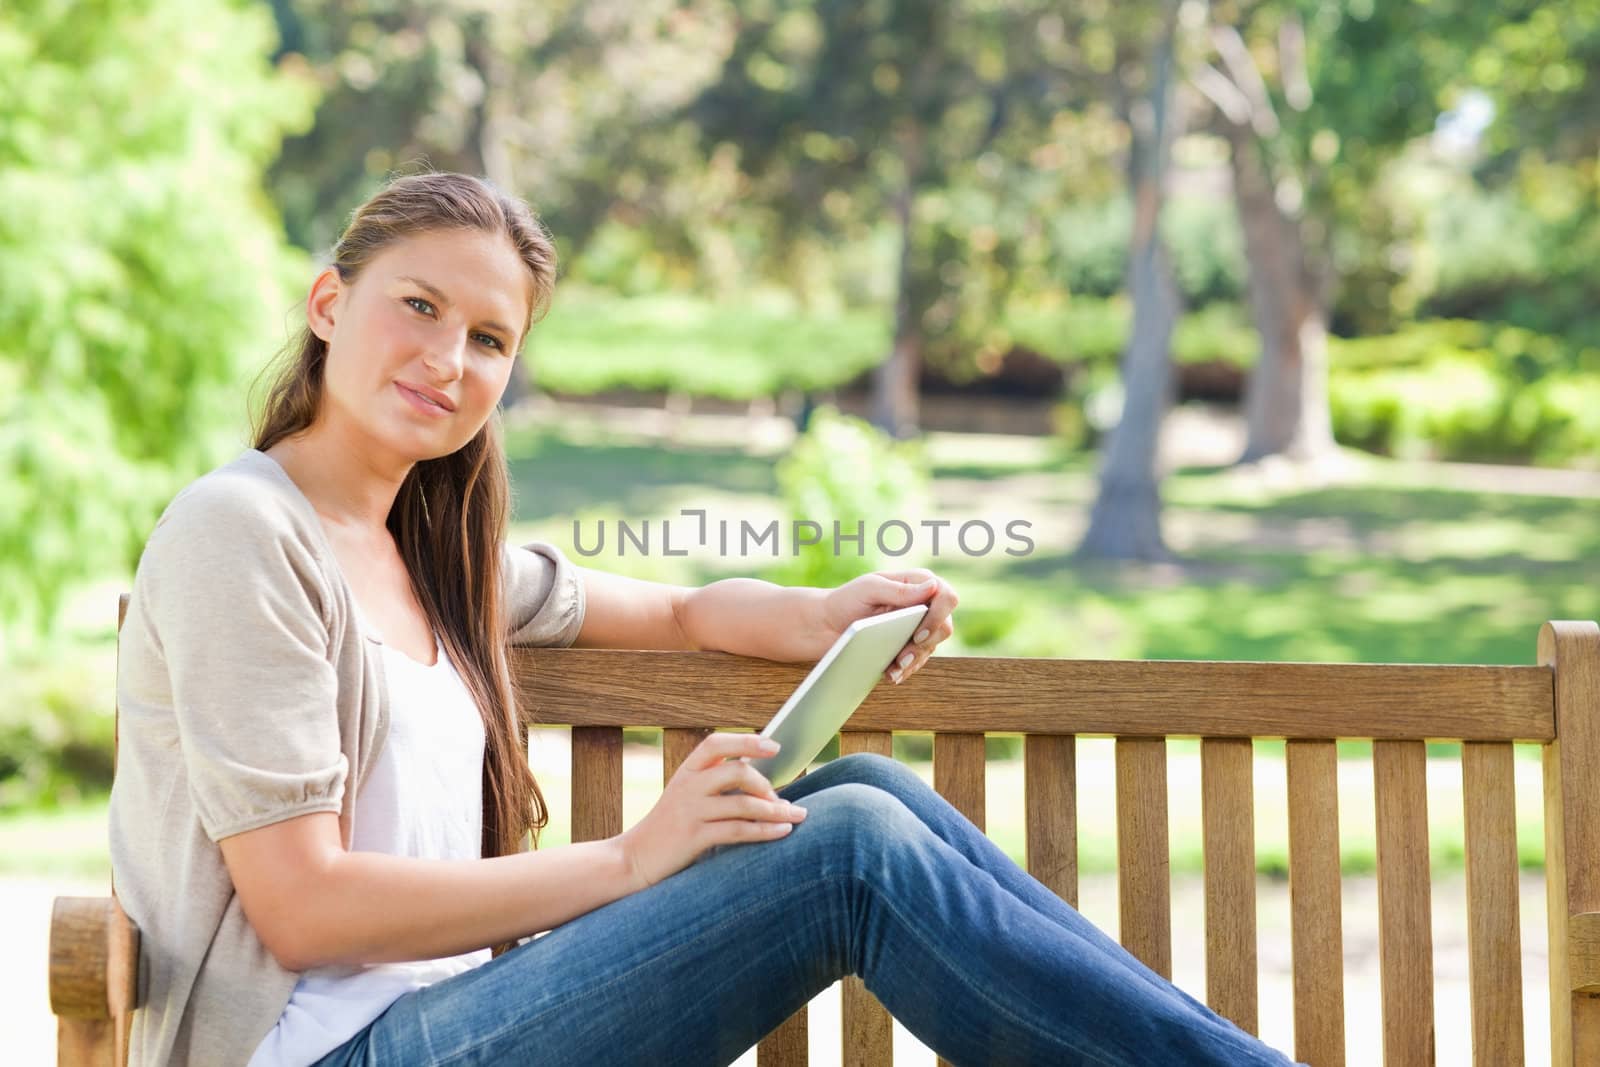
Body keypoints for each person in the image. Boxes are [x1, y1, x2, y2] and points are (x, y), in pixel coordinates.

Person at [108, 171, 1299, 1067]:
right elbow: (303, 904)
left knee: (864, 796)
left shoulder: (429, 554)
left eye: (489, 339)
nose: (447, 359)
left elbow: (673, 604)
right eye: (415, 306)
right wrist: (633, 855)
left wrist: (826, 613)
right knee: (846, 859)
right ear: (328, 301)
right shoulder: (240, 532)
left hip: (444, 1020)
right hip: (322, 1050)